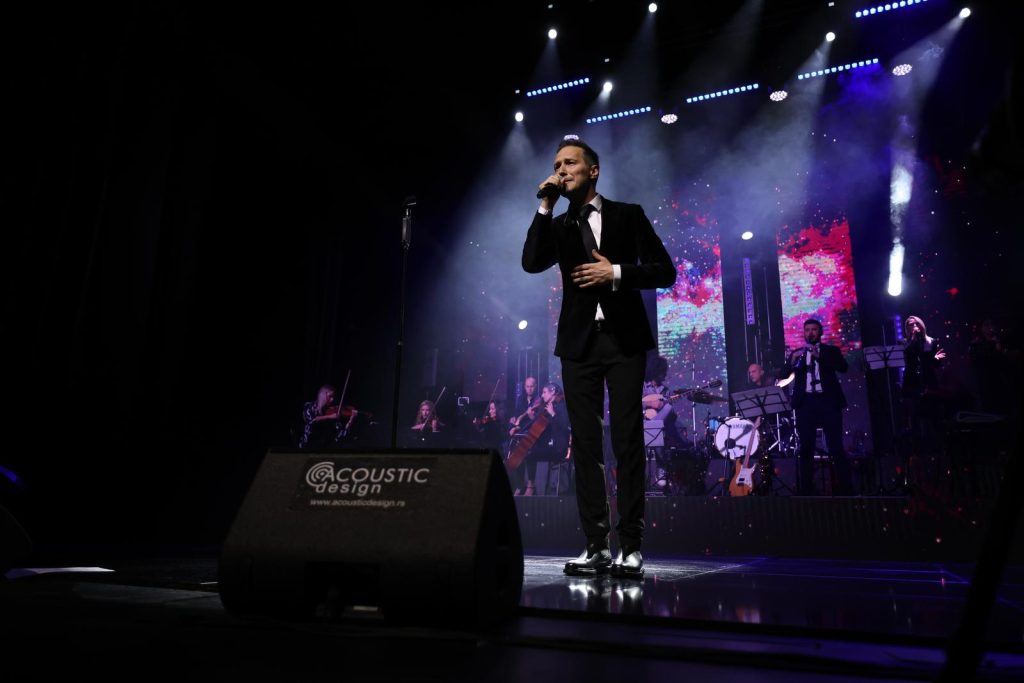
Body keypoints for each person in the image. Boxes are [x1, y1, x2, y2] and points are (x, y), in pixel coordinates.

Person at [522, 136, 676, 578]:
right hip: (579, 345)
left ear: (593, 170)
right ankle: (596, 546)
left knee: (627, 441)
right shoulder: (559, 224)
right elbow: (531, 261)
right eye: (557, 164)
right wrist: (544, 206)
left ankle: (631, 546)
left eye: (570, 163)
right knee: (586, 446)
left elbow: (664, 270)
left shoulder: (628, 215)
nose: (562, 170)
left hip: (624, 341)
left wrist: (617, 272)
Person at [782, 319, 854, 495]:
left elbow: (843, 367)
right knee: (806, 447)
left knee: (835, 445)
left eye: (814, 329)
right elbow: (782, 375)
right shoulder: (798, 353)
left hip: (828, 401)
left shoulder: (831, 351)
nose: (810, 333)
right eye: (807, 330)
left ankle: (846, 490)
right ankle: (807, 490)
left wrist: (819, 357)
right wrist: (791, 361)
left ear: (820, 332)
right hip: (805, 403)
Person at [510, 383, 570, 496]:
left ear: (553, 392)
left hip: (559, 448)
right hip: (549, 445)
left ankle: (530, 486)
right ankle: (520, 485)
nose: (542, 395)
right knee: (519, 452)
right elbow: (536, 424)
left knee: (527, 452)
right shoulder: (548, 407)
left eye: (544, 392)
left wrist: (553, 414)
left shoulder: (562, 406)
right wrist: (519, 428)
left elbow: (565, 426)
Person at [298, 384, 358, 449]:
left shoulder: (333, 414)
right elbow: (311, 421)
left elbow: (340, 436)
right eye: (330, 396)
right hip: (307, 445)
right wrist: (329, 416)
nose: (332, 399)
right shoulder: (309, 406)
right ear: (322, 395)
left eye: (333, 397)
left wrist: (351, 420)